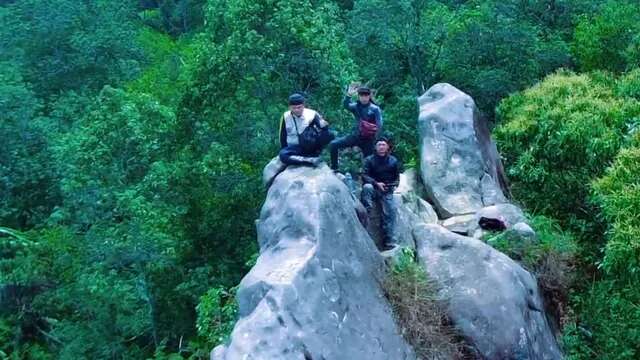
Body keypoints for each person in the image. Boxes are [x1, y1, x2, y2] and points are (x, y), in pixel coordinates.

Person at [329, 85, 383, 171]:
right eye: (362, 96)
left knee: (369, 163)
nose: (364, 98)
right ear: (359, 96)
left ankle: (369, 180)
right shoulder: (356, 106)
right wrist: (348, 95)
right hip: (355, 136)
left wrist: (376, 140)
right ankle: (334, 168)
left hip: (368, 140)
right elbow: (346, 105)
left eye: (366, 95)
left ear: (369, 96)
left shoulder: (375, 109)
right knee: (333, 144)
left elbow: (379, 125)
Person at [361, 136, 401, 251]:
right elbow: (364, 175)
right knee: (367, 187)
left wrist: (390, 187)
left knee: (390, 211)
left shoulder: (393, 161)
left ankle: (389, 240)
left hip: (386, 190)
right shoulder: (369, 160)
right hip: (373, 187)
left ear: (387, 147)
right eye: (379, 145)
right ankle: (366, 213)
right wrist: (376, 183)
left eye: (383, 145)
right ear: (375, 147)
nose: (381, 147)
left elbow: (397, 179)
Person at [279, 93, 333, 166]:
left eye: (299, 107)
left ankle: (316, 153)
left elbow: (323, 127)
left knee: (329, 134)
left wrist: (324, 125)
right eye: (294, 108)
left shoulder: (311, 114)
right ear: (289, 107)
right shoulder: (285, 116)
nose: (297, 110)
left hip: (310, 144)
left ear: (303, 106)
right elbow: (282, 135)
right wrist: (285, 149)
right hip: (296, 147)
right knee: (282, 155)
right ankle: (307, 161)